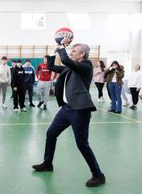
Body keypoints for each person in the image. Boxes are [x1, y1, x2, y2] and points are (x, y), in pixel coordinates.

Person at [32, 39, 105, 188]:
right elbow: (51, 66)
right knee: (51, 134)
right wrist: (54, 52)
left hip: (80, 110)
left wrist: (62, 46)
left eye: (74, 51)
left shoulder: (86, 66)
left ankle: (98, 175)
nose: (71, 53)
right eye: (70, 51)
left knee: (82, 144)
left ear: (82, 54)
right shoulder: (70, 68)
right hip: (66, 109)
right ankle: (47, 164)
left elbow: (65, 59)